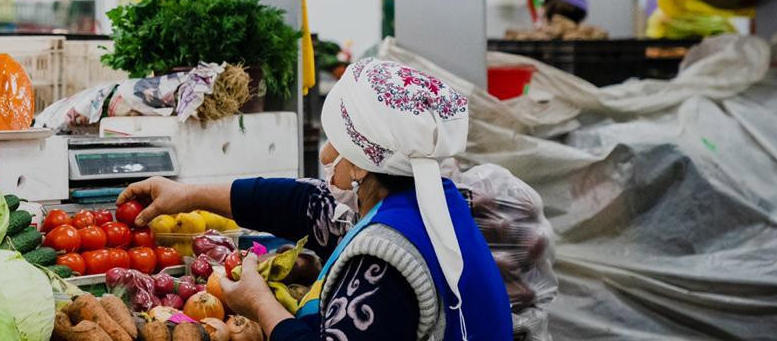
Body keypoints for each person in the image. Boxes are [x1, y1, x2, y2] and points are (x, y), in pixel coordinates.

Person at [120, 58, 513, 340]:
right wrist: (185, 195)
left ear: (362, 163)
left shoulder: (385, 258)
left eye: (335, 141)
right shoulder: (433, 203)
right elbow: (301, 206)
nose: (325, 154)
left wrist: (260, 305)